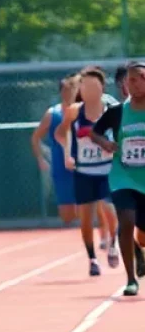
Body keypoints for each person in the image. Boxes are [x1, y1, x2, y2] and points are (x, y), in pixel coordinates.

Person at [56, 66, 119, 276]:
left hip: (108, 169)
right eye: (84, 85)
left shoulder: (112, 108)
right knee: (85, 219)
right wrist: (67, 154)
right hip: (84, 172)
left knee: (110, 208)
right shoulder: (75, 111)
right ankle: (92, 258)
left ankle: (113, 243)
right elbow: (61, 134)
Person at [91, 59, 145, 295]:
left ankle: (139, 254)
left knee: (141, 235)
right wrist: (105, 143)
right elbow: (94, 132)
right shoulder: (117, 112)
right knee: (126, 221)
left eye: (138, 79)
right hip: (123, 176)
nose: (132, 84)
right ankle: (131, 279)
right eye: (129, 80)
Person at [30, 75, 80, 226]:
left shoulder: (82, 111)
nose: (68, 93)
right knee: (66, 213)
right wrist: (40, 159)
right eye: (64, 90)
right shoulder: (53, 114)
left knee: (86, 205)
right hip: (60, 164)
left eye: (71, 90)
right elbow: (35, 137)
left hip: (82, 163)